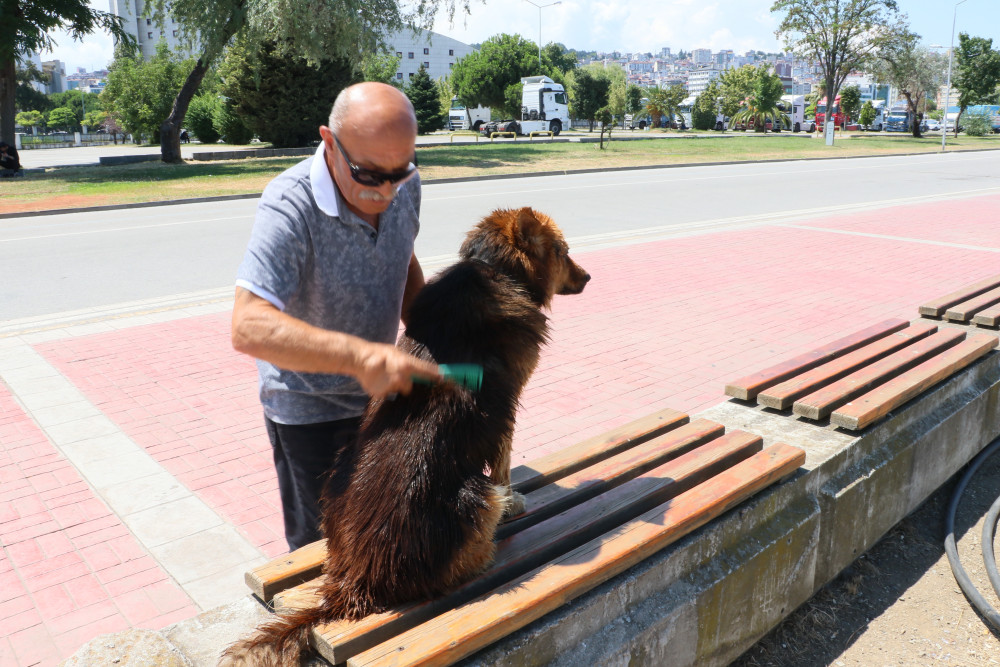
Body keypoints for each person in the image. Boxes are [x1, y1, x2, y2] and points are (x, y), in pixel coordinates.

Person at [231, 82, 441, 552]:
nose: (386, 191)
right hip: (308, 411)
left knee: (385, 539)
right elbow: (247, 325)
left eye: (400, 172)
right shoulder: (290, 205)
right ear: (330, 142)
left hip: (380, 401)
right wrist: (359, 356)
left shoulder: (403, 186)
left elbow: (400, 256)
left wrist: (434, 332)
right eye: (368, 175)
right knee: (323, 557)